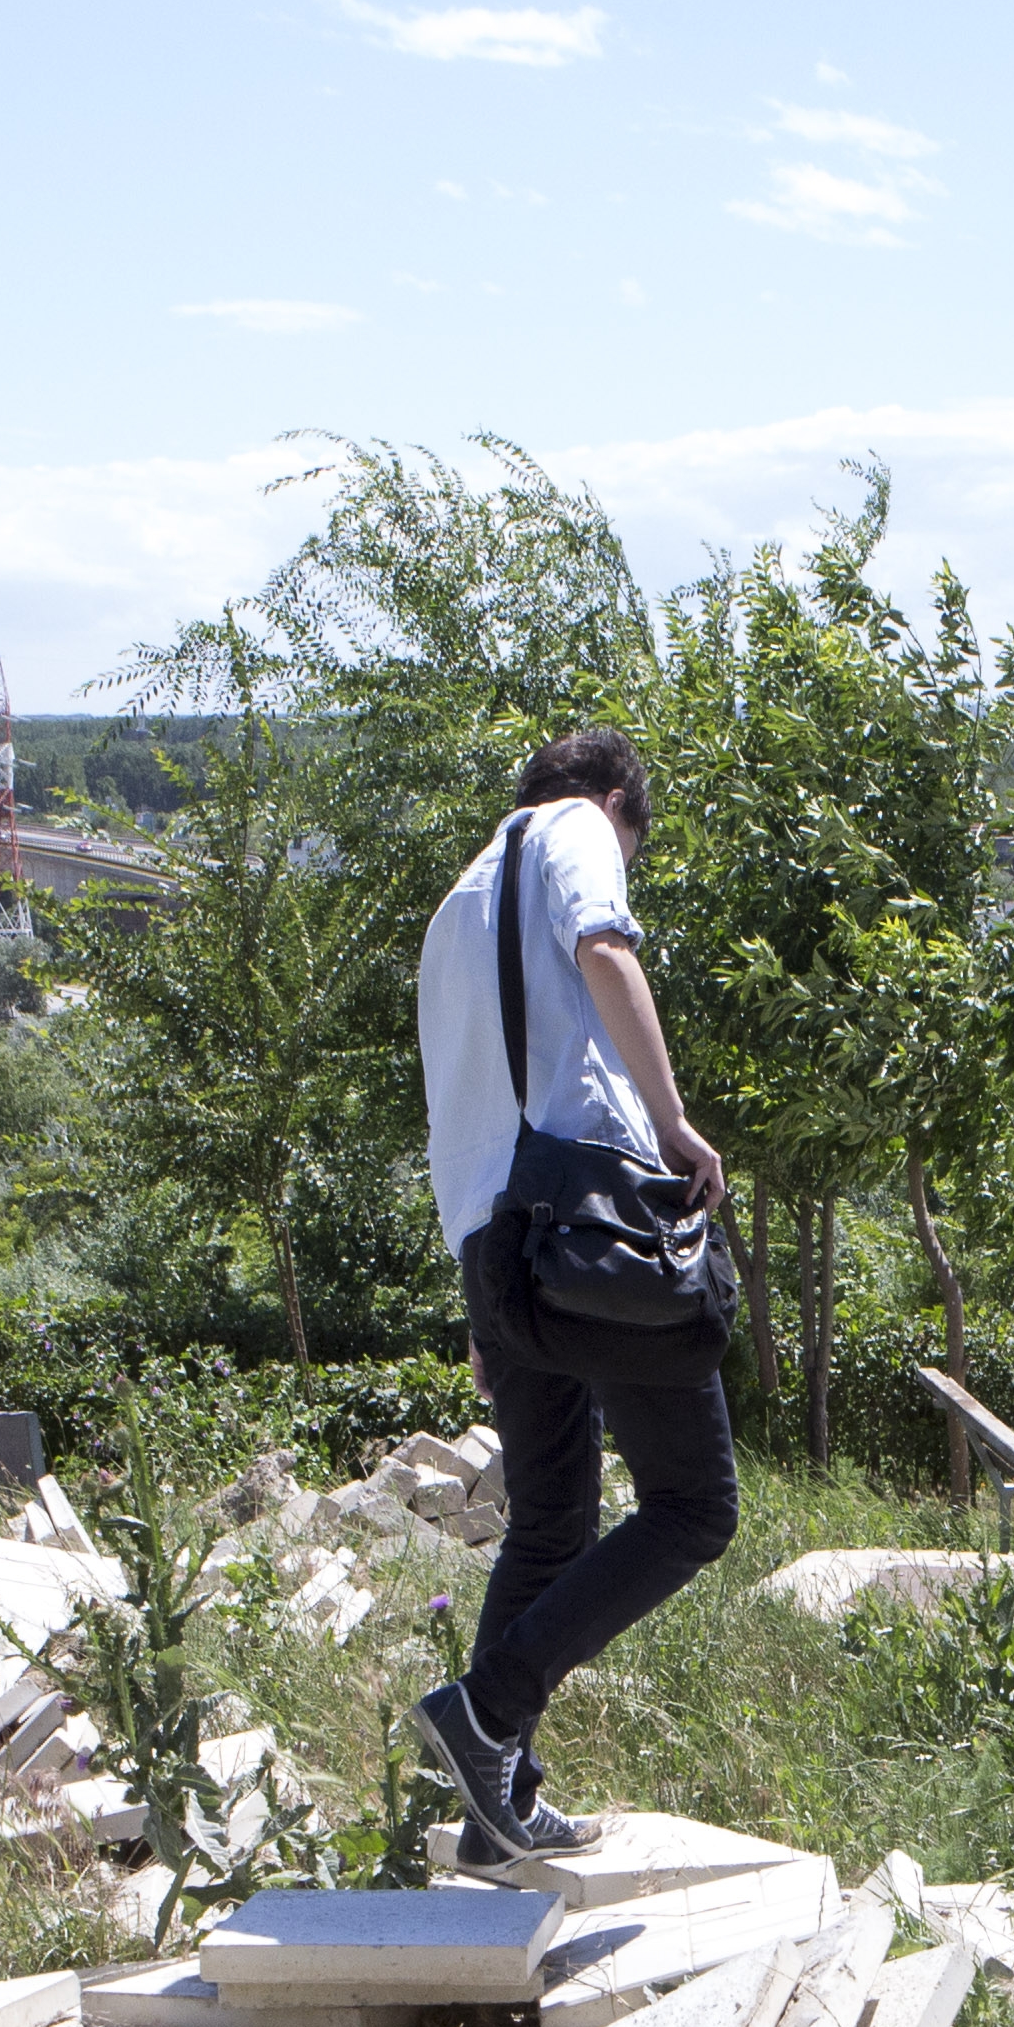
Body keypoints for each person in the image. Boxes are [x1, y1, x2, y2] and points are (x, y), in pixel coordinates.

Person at [411, 723, 736, 1861]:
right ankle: (487, 1711)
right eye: (630, 842)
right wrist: (670, 1122)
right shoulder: (575, 830)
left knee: (548, 1521)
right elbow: (606, 948)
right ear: (613, 802)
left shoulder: (456, 905)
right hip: (589, 1225)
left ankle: (496, 1815)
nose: (622, 857)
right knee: (696, 1508)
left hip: (497, 1250)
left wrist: (482, 1306)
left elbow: (461, 1115)